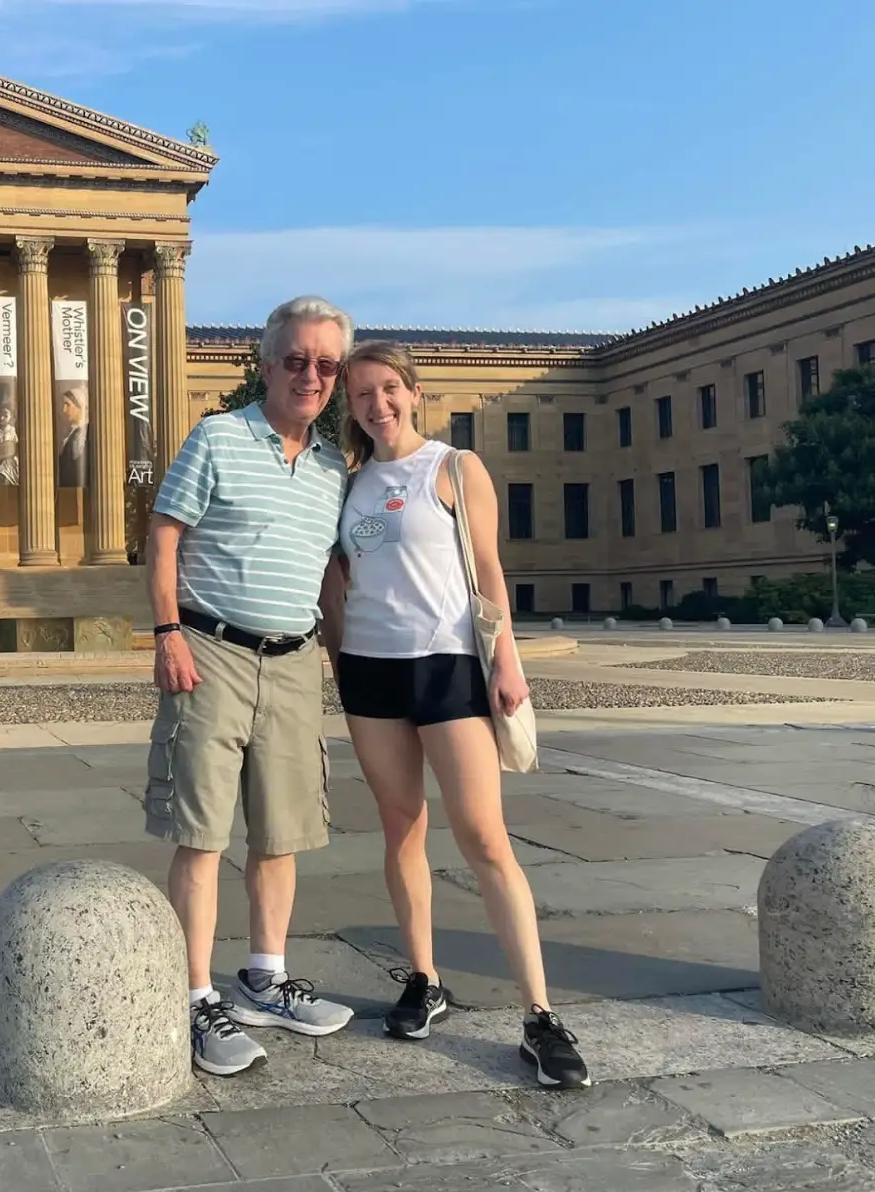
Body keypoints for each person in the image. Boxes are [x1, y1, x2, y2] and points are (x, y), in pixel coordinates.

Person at [322, 340, 591, 1090]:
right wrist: (342, 663)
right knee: (401, 826)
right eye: (362, 395)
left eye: (387, 390)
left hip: (446, 667)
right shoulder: (349, 484)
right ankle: (424, 978)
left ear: (413, 392)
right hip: (373, 676)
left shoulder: (455, 467)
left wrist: (507, 662)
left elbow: (489, 567)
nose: (376, 405)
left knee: (483, 836)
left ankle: (539, 1014)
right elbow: (336, 584)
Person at [145, 295, 356, 1077]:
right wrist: (167, 632)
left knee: (283, 830)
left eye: (326, 365)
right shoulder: (219, 437)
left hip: (295, 661)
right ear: (266, 365)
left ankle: (263, 977)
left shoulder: (335, 465)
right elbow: (163, 536)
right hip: (211, 651)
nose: (311, 375)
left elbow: (333, 576)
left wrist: (343, 663)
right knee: (202, 831)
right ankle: (195, 994)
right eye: (296, 360)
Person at [57, 389, 88, 488]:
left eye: (68, 404)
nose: (64, 410)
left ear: (80, 406)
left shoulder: (84, 433)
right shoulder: (72, 432)